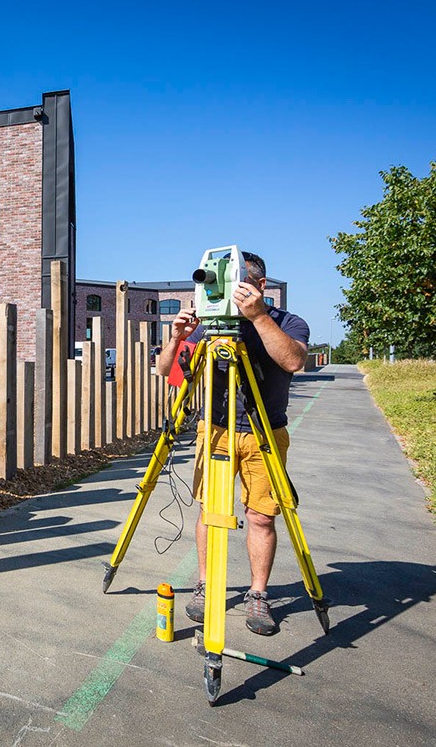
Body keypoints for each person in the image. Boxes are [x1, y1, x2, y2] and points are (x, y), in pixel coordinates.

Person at [156, 251, 309, 636]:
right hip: (217, 429)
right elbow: (167, 372)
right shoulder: (210, 328)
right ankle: (206, 584)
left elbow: (293, 362)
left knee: (261, 515)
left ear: (259, 284)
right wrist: (176, 338)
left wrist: (257, 318)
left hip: (265, 432)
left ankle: (258, 594)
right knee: (211, 511)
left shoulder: (287, 322)